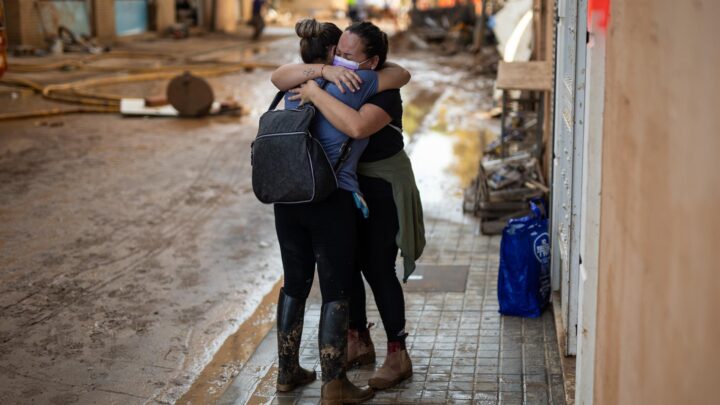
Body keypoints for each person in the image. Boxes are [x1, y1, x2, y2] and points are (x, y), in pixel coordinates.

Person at [269, 19, 410, 405]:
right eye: (340, 54)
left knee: (295, 285)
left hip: (288, 196)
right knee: (335, 289)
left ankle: (287, 374)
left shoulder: (295, 84)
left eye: (349, 55)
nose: (343, 60)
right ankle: (334, 385)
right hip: (329, 199)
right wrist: (326, 78)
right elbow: (402, 74)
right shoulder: (355, 82)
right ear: (330, 54)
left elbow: (279, 76)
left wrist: (315, 83)